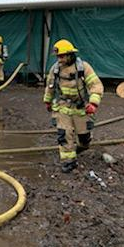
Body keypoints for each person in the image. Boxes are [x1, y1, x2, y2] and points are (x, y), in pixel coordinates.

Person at [43, 39, 103, 173]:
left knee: (84, 139)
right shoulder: (55, 69)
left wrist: (93, 103)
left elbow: (96, 85)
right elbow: (50, 86)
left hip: (81, 108)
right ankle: (69, 161)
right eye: (58, 56)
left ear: (70, 55)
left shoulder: (83, 68)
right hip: (63, 106)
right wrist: (47, 101)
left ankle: (80, 146)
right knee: (64, 134)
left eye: (62, 56)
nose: (60, 59)